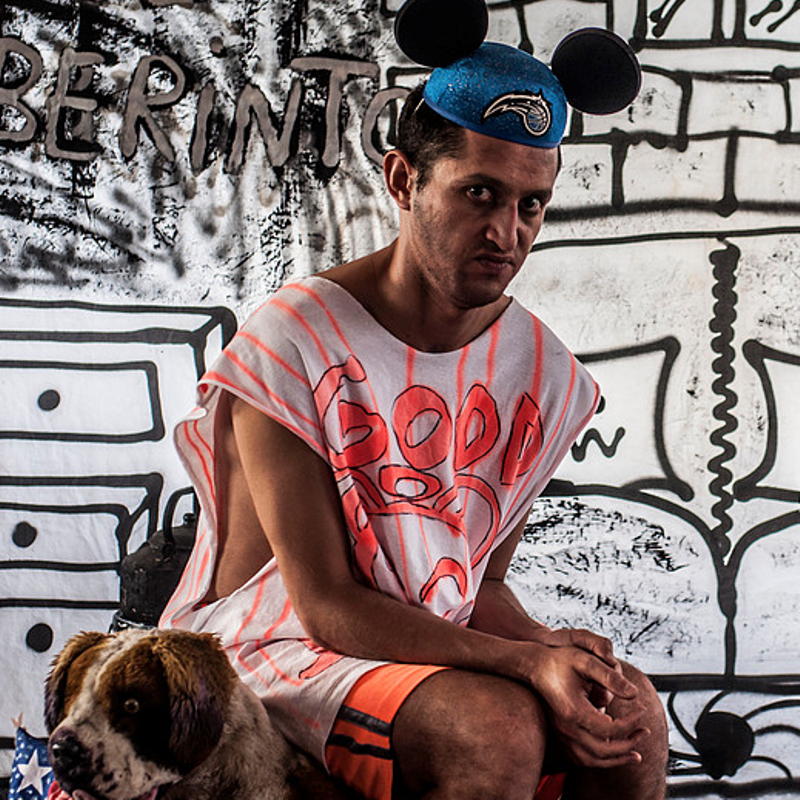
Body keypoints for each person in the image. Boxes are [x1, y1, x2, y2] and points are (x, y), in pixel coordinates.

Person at [161, 39, 668, 800]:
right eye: (479, 194)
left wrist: (553, 648)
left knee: (633, 719)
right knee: (495, 728)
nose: (507, 233)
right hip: (269, 648)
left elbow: (475, 588)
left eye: (531, 205)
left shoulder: (544, 374)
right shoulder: (296, 341)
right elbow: (326, 605)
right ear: (403, 179)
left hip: (420, 652)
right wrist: (526, 663)